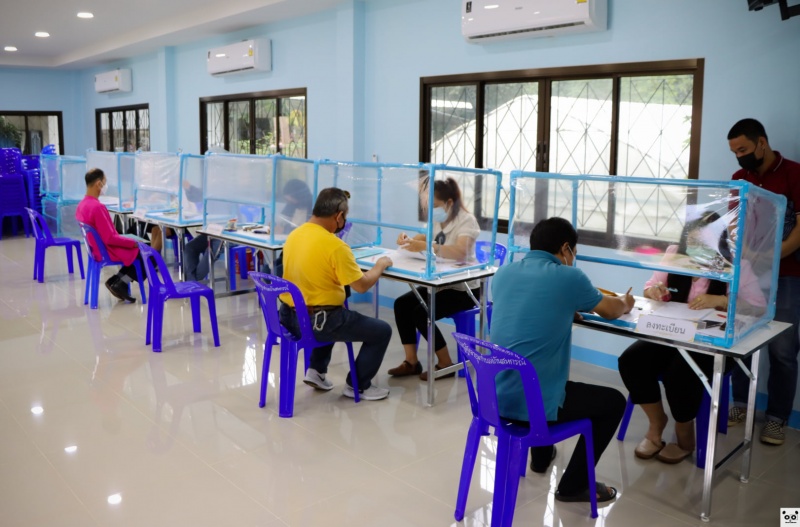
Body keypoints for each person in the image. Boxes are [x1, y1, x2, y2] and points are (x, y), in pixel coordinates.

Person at [491, 217, 633, 503]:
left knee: (537, 372)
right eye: (574, 251)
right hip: (532, 403)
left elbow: (527, 311)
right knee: (613, 402)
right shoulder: (569, 277)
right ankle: (574, 486)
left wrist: (564, 308)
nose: (574, 257)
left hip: (496, 398)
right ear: (566, 248)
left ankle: (541, 458)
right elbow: (610, 310)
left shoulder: (503, 273)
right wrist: (626, 302)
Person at [618, 212, 766, 464]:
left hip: (712, 345)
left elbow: (758, 307)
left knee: (680, 373)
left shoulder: (735, 263)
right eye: (692, 242)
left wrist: (722, 300)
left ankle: (684, 434)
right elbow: (650, 285)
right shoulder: (675, 254)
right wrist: (655, 291)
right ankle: (656, 423)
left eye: (704, 242)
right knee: (631, 360)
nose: (697, 247)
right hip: (673, 335)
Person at [278, 187, 393, 400]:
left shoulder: (294, 235)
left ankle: (316, 371)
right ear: (339, 216)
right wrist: (380, 265)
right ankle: (358, 386)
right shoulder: (335, 246)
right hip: (319, 323)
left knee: (336, 308)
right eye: (345, 217)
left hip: (288, 317)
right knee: (381, 330)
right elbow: (361, 286)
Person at [727, 118, 800, 446]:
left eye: (743, 149)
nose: (739, 156)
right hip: (748, 273)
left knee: (783, 349)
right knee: (742, 339)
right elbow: (733, 224)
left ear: (762, 143)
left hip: (788, 274)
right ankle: (741, 405)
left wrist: (770, 256)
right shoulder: (739, 179)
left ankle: (777, 418)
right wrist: (744, 254)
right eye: (734, 152)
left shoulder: (794, 174)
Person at [388, 177, 481, 381]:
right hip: (441, 283)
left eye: (435, 205)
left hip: (464, 289)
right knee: (402, 305)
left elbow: (461, 252)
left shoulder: (467, 220)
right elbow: (425, 236)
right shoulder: (438, 218)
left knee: (421, 312)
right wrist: (409, 240)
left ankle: (445, 363)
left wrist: (427, 246)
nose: (432, 210)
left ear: (449, 202)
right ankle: (411, 362)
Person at [76, 168, 146, 303]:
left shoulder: (82, 205)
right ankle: (122, 282)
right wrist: (133, 243)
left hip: (95, 249)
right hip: (106, 249)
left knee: (138, 251)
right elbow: (110, 238)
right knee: (147, 255)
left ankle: (116, 280)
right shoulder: (97, 207)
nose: (105, 186)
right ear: (98, 184)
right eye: (105, 182)